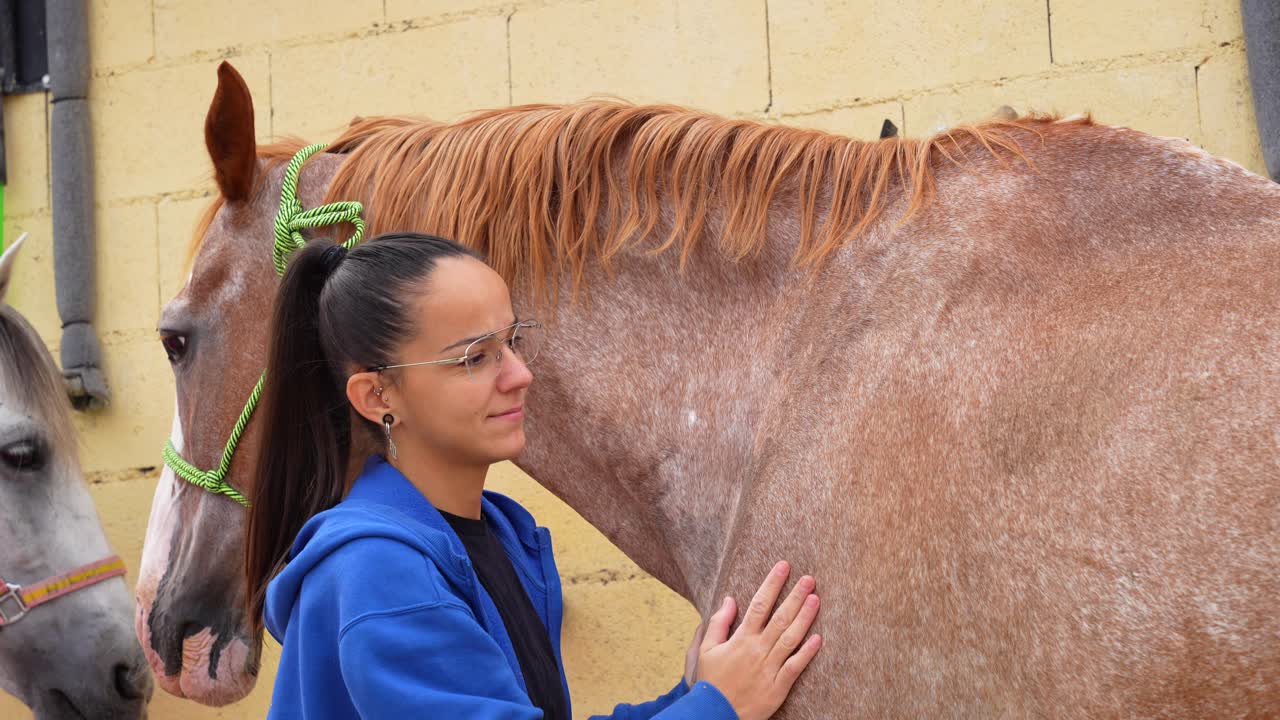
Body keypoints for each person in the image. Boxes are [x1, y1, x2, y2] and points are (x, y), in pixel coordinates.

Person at [246, 232, 823, 719]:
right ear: (377, 395)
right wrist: (718, 708)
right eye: (475, 357)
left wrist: (693, 696)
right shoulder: (381, 572)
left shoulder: (496, 533)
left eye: (512, 341)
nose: (519, 374)